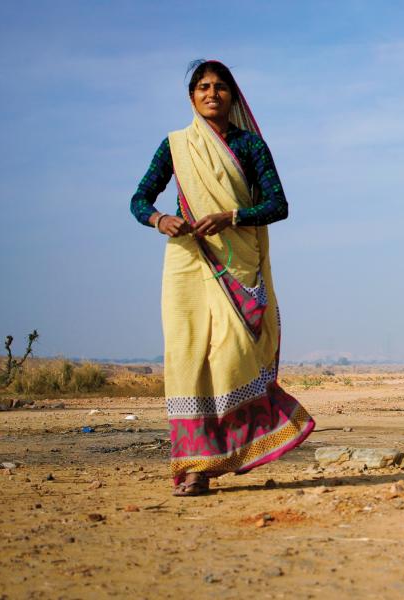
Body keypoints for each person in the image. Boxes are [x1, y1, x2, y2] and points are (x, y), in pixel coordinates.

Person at [130, 60, 315, 496]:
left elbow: (278, 205)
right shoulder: (176, 146)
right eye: (203, 87)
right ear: (192, 97)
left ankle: (239, 448)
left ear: (233, 96)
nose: (212, 93)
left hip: (236, 263)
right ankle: (195, 468)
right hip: (188, 263)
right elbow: (140, 198)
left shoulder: (250, 147)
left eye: (221, 87)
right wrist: (160, 220)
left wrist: (232, 216)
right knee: (188, 358)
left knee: (231, 357)